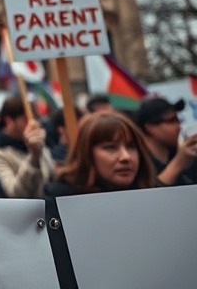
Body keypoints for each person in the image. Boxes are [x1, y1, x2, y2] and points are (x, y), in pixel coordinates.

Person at [42, 110, 155, 288]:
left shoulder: (155, 198)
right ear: (87, 154)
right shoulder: (61, 204)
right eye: (110, 147)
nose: (125, 157)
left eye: (131, 146)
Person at [0, 95, 54, 198]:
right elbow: (17, 194)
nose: (34, 124)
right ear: (9, 121)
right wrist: (34, 156)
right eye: (27, 119)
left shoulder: (43, 149)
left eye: (36, 119)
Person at [134, 97, 196, 186]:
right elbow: (149, 195)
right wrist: (179, 163)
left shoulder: (183, 157)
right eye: (171, 121)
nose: (178, 126)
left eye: (179, 121)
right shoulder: (138, 164)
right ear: (149, 128)